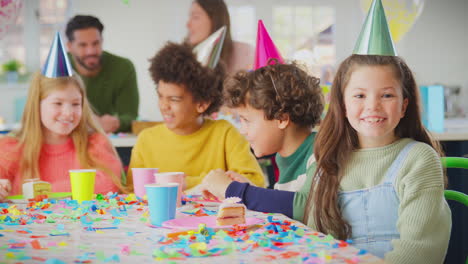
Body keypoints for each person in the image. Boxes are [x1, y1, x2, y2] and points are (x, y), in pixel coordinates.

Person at [201, 54, 451, 262]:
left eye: (386, 95)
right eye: (360, 95)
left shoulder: (419, 160)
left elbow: (419, 253)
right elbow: (318, 238)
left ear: (404, 106)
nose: (373, 105)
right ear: (342, 105)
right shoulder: (332, 161)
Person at [127, 42, 264, 191]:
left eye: (174, 99)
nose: (163, 106)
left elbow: (255, 181)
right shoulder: (146, 140)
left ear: (202, 103)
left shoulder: (225, 134)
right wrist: (210, 181)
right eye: (160, 96)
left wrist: (184, 183)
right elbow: (132, 190)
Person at [0, 72, 126, 201]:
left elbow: (110, 183)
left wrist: (43, 192)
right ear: (36, 105)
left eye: (76, 104)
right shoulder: (11, 147)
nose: (68, 113)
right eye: (58, 103)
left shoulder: (95, 143)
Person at [218, 61, 323, 191]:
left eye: (247, 120)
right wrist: (250, 188)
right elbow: (285, 204)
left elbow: (302, 205)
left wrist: (243, 192)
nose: (242, 131)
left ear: (281, 119)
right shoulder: (283, 157)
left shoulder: (320, 152)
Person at [65, 15, 139, 133]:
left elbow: (130, 116)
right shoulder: (58, 69)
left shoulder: (123, 67)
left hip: (106, 139)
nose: (91, 51)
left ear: (102, 41)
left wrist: (115, 123)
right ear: (69, 46)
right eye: (83, 45)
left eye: (96, 43)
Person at [186, 0, 254, 75]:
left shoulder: (245, 53)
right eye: (189, 17)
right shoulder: (182, 58)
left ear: (215, 20)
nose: (188, 24)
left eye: (195, 17)